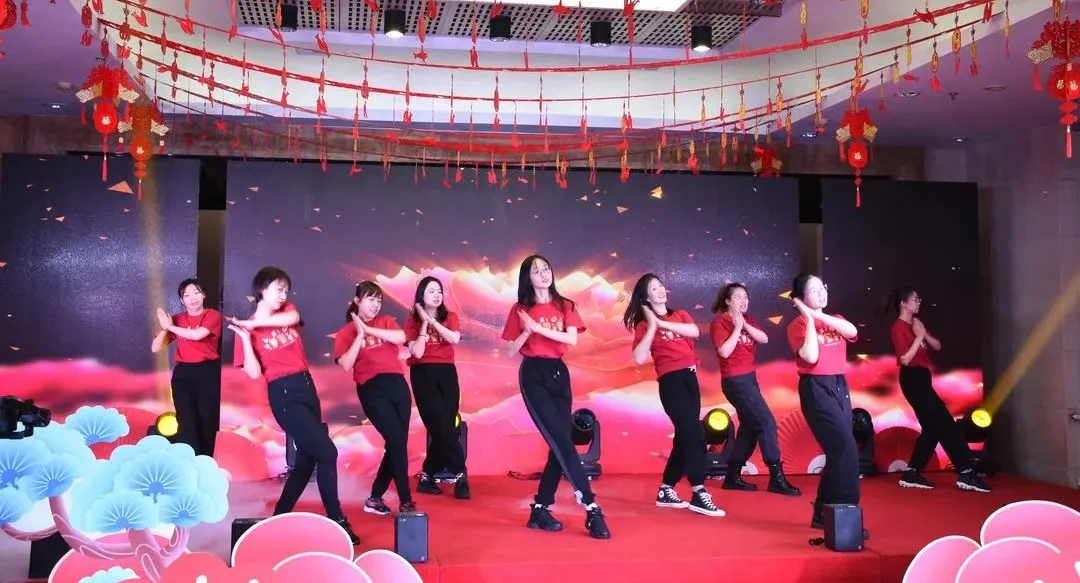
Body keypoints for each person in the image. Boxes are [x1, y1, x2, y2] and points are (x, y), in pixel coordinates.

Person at [230, 267, 359, 544]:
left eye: (286, 290)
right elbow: (253, 372)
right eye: (278, 289)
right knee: (327, 452)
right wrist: (246, 338)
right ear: (261, 289)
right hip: (284, 394)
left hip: (307, 387)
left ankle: (278, 517)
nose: (283, 295)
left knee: (305, 463)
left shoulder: (286, 311)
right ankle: (337, 519)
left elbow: (293, 318)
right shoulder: (247, 329)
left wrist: (254, 325)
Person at [500, 254, 611, 540]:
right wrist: (527, 332)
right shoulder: (521, 309)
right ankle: (592, 508)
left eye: (546, 268)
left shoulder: (565, 305)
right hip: (533, 374)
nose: (543, 274)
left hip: (559, 373)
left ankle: (540, 508)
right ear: (527, 278)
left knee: (559, 442)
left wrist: (538, 329)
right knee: (561, 440)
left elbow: (571, 339)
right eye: (536, 271)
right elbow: (511, 350)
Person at [623, 273, 724, 517]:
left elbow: (694, 332)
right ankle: (699, 490)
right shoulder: (643, 325)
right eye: (653, 288)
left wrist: (663, 324)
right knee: (694, 432)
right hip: (671, 382)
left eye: (660, 286)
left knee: (684, 435)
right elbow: (639, 357)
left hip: (690, 378)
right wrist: (652, 326)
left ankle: (666, 488)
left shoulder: (679, 314)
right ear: (645, 297)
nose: (660, 290)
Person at [785, 273, 867, 537]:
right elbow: (810, 357)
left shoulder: (836, 319)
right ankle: (846, 513)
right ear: (800, 299)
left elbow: (852, 332)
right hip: (815, 388)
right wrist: (809, 319)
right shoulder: (797, 325)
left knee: (838, 451)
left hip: (839, 386)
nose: (821, 293)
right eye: (814, 290)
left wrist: (817, 315)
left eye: (823, 287)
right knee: (845, 448)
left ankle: (824, 513)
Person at [887, 287, 991, 493]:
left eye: (919, 299)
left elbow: (937, 346)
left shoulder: (915, 324)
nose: (919, 302)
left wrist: (923, 333)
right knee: (946, 424)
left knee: (932, 428)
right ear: (903, 303)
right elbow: (905, 359)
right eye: (915, 299)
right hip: (913, 378)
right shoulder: (898, 327)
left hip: (922, 378)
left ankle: (912, 472)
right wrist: (918, 337)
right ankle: (966, 471)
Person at [710, 282, 800, 496]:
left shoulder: (749, 320)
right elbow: (724, 352)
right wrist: (737, 328)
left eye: (746, 297)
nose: (744, 300)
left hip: (750, 379)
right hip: (735, 380)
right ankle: (776, 477)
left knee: (750, 427)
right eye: (738, 297)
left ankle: (732, 477)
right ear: (727, 301)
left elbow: (764, 338)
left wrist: (744, 324)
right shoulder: (720, 322)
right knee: (766, 421)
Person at [334, 281, 417, 515]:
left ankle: (374, 498)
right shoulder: (345, 332)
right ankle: (406, 501)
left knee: (397, 443)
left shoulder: (386, 321)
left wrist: (369, 330)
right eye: (370, 299)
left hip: (398, 386)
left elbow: (401, 338)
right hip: (372, 388)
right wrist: (360, 335)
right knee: (396, 440)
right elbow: (346, 364)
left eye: (379, 300)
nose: (376, 304)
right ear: (357, 301)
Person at [406, 276, 470, 500]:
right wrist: (424, 323)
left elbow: (454, 339)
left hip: (447, 373)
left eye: (439, 291)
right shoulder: (412, 321)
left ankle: (427, 476)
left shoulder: (449, 317)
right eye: (431, 291)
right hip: (422, 374)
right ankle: (461, 475)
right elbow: (417, 352)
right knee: (440, 424)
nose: (437, 295)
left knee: (445, 426)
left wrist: (433, 322)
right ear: (421, 295)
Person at [151, 278, 223, 458]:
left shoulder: (212, 315)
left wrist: (171, 327)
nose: (193, 298)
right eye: (187, 295)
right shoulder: (177, 319)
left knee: (206, 419)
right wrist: (165, 329)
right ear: (182, 300)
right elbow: (155, 347)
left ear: (204, 295)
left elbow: (198, 335)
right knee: (186, 420)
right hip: (183, 374)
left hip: (207, 372)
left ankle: (205, 461)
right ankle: (189, 461)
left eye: (196, 293)